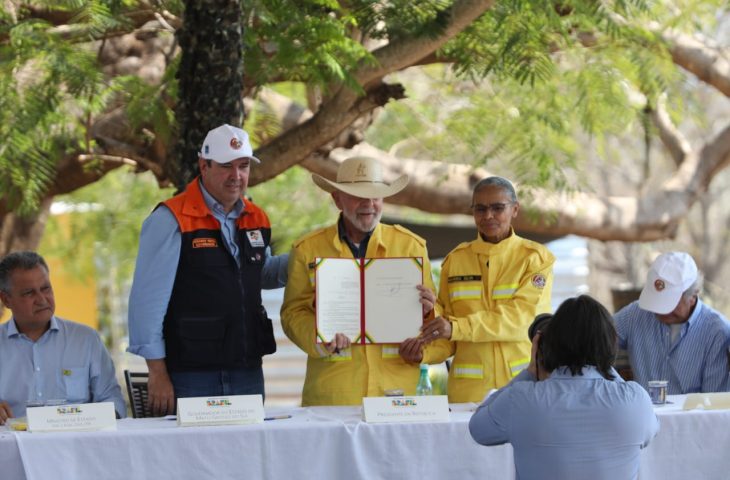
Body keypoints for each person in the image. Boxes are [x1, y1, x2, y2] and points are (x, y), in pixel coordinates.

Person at [127, 124, 288, 415]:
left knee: (247, 456)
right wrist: (157, 373)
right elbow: (146, 303)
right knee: (191, 458)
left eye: (243, 166)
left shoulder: (257, 217)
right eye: (226, 166)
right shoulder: (170, 218)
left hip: (247, 370)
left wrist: (311, 258)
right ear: (204, 165)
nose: (236, 176)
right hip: (190, 374)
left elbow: (259, 274)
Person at [280, 156, 451, 406]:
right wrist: (320, 338)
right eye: (357, 195)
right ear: (337, 198)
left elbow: (435, 319)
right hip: (332, 394)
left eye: (376, 196)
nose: (368, 204)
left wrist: (428, 310)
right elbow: (293, 313)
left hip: (397, 392)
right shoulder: (307, 249)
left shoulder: (410, 246)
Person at [469, 295, 659, 480]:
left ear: (549, 345)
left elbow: (478, 428)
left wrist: (530, 371)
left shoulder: (520, 399)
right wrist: (603, 364)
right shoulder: (636, 401)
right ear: (610, 344)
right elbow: (651, 431)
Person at [418, 176, 555, 402]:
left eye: (498, 208)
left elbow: (520, 319)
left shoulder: (536, 259)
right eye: (480, 209)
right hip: (466, 395)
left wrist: (455, 326)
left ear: (515, 209)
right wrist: (423, 351)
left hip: (522, 386)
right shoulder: (455, 260)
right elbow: (447, 335)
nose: (488, 215)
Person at [0, 251, 126, 423]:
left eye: (46, 288)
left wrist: (94, 419)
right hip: (13, 445)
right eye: (29, 293)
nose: (41, 299)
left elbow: (113, 401)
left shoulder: (86, 340)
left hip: (77, 443)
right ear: (6, 300)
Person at [614, 251, 730, 394]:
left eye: (669, 303)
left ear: (694, 295)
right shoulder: (635, 314)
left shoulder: (717, 332)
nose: (661, 310)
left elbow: (713, 403)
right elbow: (595, 340)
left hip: (693, 416)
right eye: (656, 301)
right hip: (642, 413)